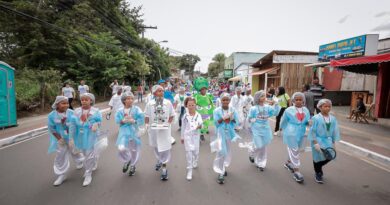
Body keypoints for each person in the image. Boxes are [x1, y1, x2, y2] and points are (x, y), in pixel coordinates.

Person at [48, 96, 84, 186]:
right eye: (63, 103)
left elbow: (78, 124)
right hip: (61, 138)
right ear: (57, 104)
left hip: (72, 136)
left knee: (75, 151)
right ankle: (61, 174)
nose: (66, 105)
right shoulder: (51, 115)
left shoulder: (72, 113)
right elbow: (52, 129)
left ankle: (81, 161)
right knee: (60, 155)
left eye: (67, 103)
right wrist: (59, 139)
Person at [144, 85, 175, 180]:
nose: (161, 92)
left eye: (162, 91)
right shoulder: (150, 104)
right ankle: (159, 160)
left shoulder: (168, 103)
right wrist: (146, 125)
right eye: (159, 91)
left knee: (165, 148)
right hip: (154, 130)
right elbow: (147, 115)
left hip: (164, 130)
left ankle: (164, 168)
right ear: (154, 93)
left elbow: (172, 115)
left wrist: (168, 124)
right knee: (156, 147)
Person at [70, 93, 102, 186]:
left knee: (89, 153)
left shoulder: (96, 111)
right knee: (84, 153)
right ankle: (94, 161)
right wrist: (71, 138)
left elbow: (99, 121)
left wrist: (97, 125)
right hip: (80, 135)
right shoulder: (76, 111)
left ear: (91, 101)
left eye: (86, 99)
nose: (84, 101)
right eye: (82, 99)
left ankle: (88, 174)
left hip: (91, 134)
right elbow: (72, 124)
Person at [280, 92, 310, 183]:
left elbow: (307, 120)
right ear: (293, 100)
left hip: (301, 132)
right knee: (294, 150)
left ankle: (288, 163)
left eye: (300, 99)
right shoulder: (289, 110)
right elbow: (284, 120)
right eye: (296, 99)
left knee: (297, 149)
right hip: (291, 132)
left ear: (303, 100)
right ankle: (297, 171)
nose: (298, 101)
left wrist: (309, 123)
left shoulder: (306, 110)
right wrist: (281, 128)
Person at [308, 99, 340, 184]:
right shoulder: (316, 118)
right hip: (317, 140)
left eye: (329, 106)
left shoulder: (333, 119)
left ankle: (318, 167)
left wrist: (334, 142)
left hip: (327, 141)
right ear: (320, 107)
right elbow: (312, 131)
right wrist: (315, 143)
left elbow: (335, 131)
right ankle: (318, 173)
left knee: (329, 156)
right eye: (325, 106)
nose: (327, 108)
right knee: (317, 157)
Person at [247, 90, 280, 171]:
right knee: (259, 145)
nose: (264, 98)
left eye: (264, 96)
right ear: (257, 98)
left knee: (263, 146)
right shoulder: (253, 108)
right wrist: (252, 120)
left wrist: (276, 104)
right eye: (262, 96)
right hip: (256, 129)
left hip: (265, 128)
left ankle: (261, 163)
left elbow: (275, 113)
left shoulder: (267, 107)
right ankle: (251, 151)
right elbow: (249, 118)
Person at [212, 93, 240, 184]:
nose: (225, 101)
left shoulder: (233, 110)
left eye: (227, 100)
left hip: (229, 133)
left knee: (227, 151)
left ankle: (223, 167)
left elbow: (236, 122)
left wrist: (231, 118)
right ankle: (220, 172)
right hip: (221, 133)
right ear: (220, 100)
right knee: (221, 151)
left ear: (229, 100)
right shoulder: (216, 110)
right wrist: (223, 118)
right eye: (223, 100)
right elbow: (216, 123)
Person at [115, 92, 144, 176]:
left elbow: (141, 119)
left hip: (134, 131)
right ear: (124, 100)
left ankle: (133, 165)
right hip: (124, 132)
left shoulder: (137, 109)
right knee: (121, 148)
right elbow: (117, 121)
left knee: (134, 150)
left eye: (131, 98)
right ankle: (127, 160)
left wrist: (134, 121)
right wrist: (123, 121)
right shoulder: (120, 111)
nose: (130, 100)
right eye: (128, 98)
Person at [181, 97, 203, 181]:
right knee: (188, 153)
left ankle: (196, 160)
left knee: (195, 152)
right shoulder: (185, 116)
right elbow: (183, 127)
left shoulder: (198, 115)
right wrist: (182, 137)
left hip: (196, 136)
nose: (191, 106)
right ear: (186, 106)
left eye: (192, 105)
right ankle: (189, 170)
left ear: (195, 105)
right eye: (189, 105)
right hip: (187, 137)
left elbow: (201, 124)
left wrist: (200, 126)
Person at [194, 77, 214, 141]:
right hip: (199, 113)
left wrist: (212, 111)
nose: (204, 91)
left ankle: (203, 133)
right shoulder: (197, 96)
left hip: (206, 113)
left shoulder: (208, 96)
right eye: (202, 89)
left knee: (206, 123)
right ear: (200, 90)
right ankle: (200, 135)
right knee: (200, 124)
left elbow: (211, 104)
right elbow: (194, 104)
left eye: (205, 89)